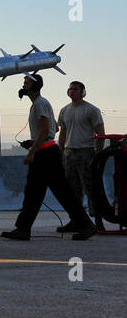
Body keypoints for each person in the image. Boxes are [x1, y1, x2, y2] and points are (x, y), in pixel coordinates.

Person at [2, 73, 96, 240]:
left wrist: (32, 152)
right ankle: (24, 229)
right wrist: (34, 141)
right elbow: (54, 129)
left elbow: (47, 130)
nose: (23, 84)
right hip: (46, 151)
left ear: (35, 85)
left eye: (27, 82)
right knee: (41, 193)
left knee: (42, 192)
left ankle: (86, 225)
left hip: (45, 155)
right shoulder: (39, 104)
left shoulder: (40, 104)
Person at [57, 80, 107, 231]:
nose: (72, 91)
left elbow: (101, 134)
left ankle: (98, 221)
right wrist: (60, 152)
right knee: (72, 191)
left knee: (91, 188)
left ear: (82, 92)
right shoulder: (64, 110)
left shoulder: (91, 110)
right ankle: (76, 220)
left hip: (86, 153)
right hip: (69, 153)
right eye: (70, 89)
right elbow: (63, 133)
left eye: (75, 89)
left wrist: (97, 155)